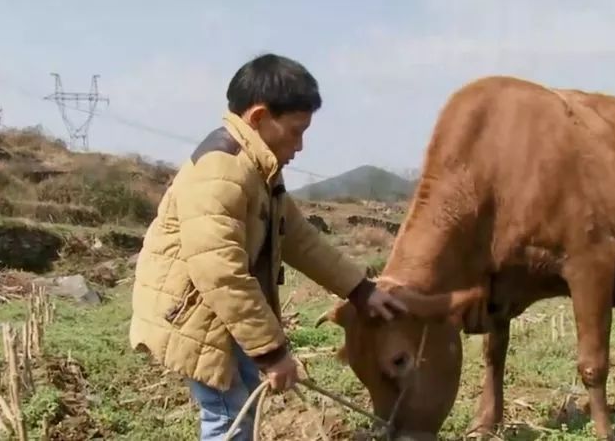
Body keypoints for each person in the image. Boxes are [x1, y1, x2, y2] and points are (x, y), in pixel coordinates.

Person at [129, 53, 408, 440]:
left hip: (226, 312)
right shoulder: (220, 170)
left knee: (240, 400)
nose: (301, 145)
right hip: (197, 315)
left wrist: (360, 290)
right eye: (296, 131)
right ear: (259, 117)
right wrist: (272, 354)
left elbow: (300, 239)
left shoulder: (259, 170)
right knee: (228, 415)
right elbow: (220, 273)